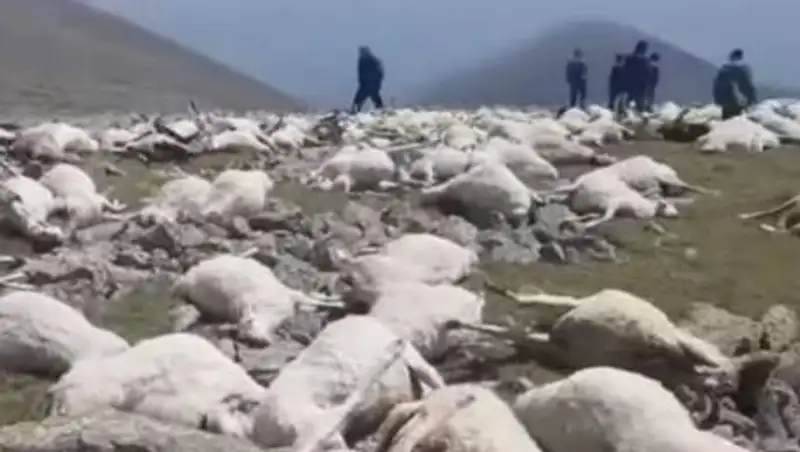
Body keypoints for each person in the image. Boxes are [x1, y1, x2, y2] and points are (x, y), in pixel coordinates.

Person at [713, 48, 757, 120]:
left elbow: (716, 84)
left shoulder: (723, 67)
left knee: (726, 118)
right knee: (736, 119)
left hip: (722, 99)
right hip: (735, 99)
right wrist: (751, 98)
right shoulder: (742, 68)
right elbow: (746, 85)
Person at [350, 46, 385, 113]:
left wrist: (376, 83)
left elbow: (379, 73)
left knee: (369, 97)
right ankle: (355, 111)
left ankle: (381, 110)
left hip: (371, 84)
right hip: (365, 84)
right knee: (362, 99)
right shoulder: (362, 60)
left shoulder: (372, 60)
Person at [622, 40, 651, 112]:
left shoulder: (629, 59)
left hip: (630, 84)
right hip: (640, 85)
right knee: (639, 104)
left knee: (628, 102)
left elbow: (624, 70)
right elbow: (648, 73)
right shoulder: (645, 61)